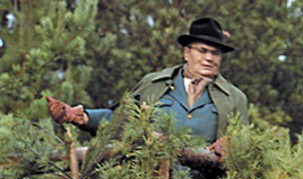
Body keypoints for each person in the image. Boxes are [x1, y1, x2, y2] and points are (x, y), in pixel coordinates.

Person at [46, 17, 248, 162]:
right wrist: (81, 117)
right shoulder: (155, 84)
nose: (209, 59)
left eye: (215, 53)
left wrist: (233, 144)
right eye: (202, 51)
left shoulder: (234, 98)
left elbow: (246, 143)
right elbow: (121, 119)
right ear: (186, 53)